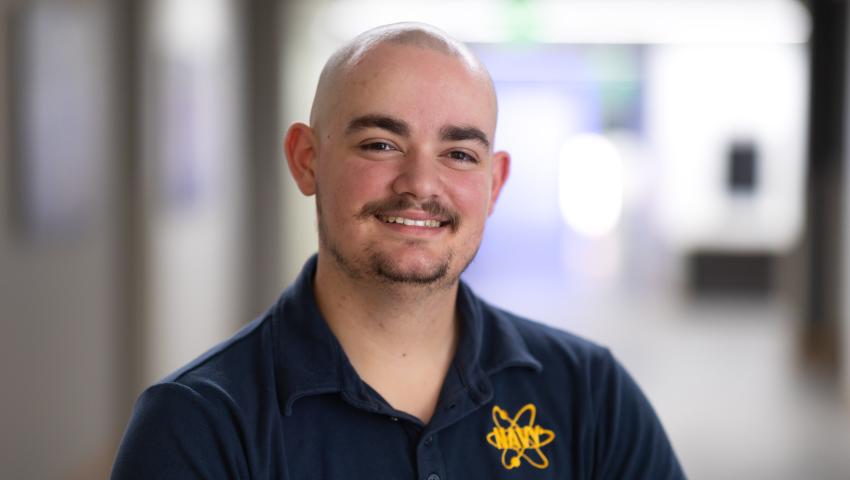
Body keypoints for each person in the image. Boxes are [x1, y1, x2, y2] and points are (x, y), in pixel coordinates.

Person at [112, 23, 685, 479]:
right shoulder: (198, 425)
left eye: (459, 154)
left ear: (495, 184)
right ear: (307, 160)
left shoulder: (591, 395)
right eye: (381, 144)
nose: (420, 184)